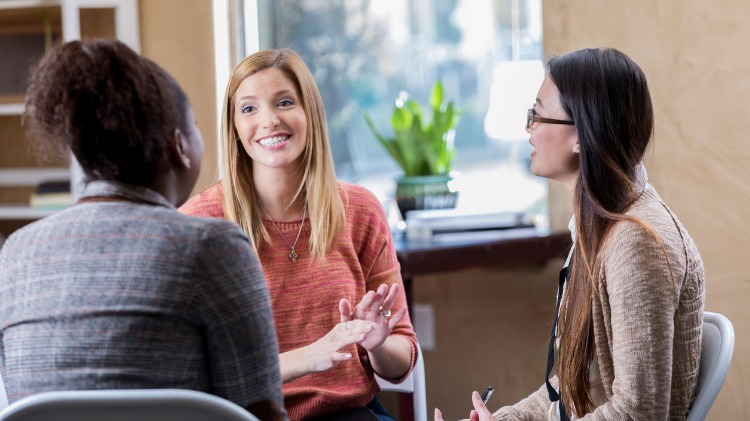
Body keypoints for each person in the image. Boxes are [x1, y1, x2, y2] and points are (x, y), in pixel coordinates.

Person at [0, 39, 285, 420]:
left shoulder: (15, 253)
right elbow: (261, 412)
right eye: (196, 127)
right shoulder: (211, 246)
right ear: (180, 146)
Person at [436, 47, 705, 421]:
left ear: (581, 135)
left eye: (537, 115)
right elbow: (574, 385)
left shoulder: (636, 243)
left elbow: (639, 412)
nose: (528, 128)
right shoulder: (600, 225)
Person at [179, 48, 418, 420]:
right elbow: (192, 375)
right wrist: (307, 358)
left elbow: (401, 363)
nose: (269, 120)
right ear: (235, 128)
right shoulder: (199, 223)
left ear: (311, 112)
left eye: (284, 102)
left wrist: (377, 343)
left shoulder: (360, 210)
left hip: (348, 413)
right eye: (249, 108)